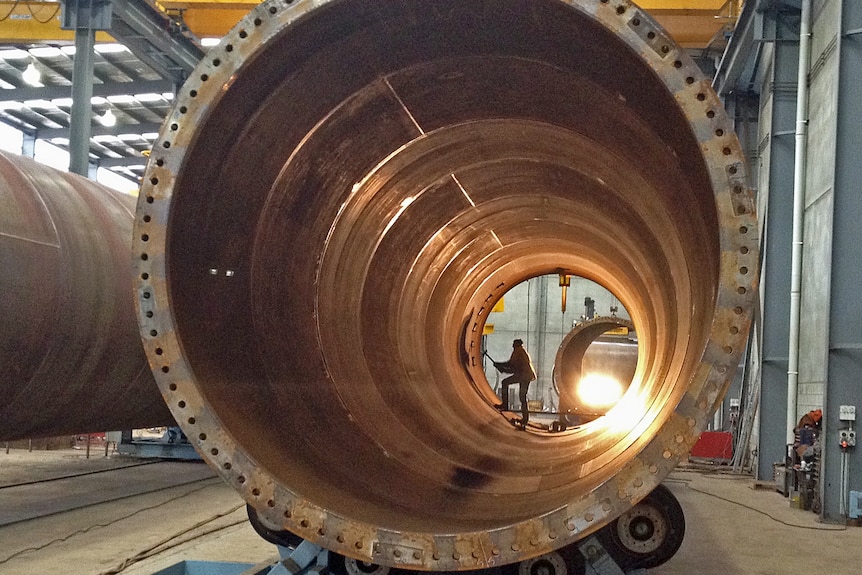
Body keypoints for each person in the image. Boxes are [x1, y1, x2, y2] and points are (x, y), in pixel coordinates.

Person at [493, 339, 537, 429]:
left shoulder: (518, 351)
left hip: (523, 376)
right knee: (522, 397)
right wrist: (501, 367)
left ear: (516, 345)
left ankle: (505, 405)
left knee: (505, 383)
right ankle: (525, 419)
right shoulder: (522, 351)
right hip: (525, 376)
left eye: (513, 344)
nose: (512, 346)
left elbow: (511, 366)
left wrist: (501, 367)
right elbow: (512, 366)